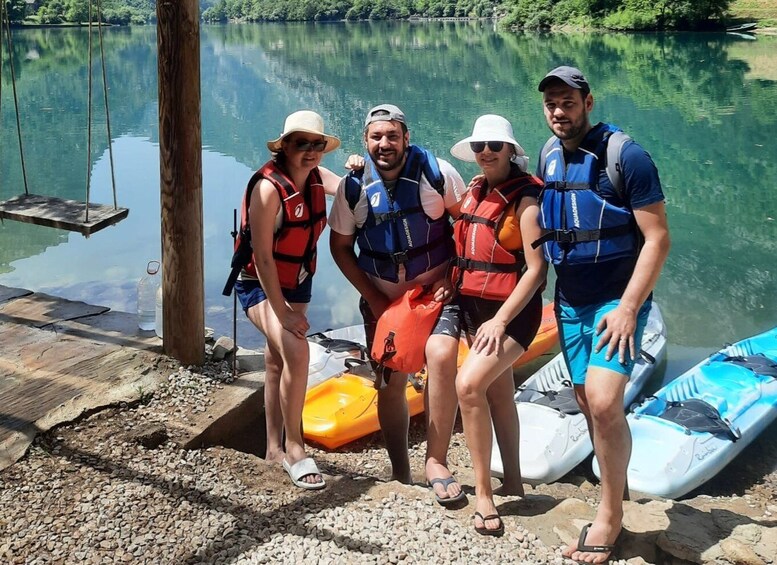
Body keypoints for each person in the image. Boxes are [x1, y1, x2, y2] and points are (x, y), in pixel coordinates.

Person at [535, 67, 670, 562]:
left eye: (567, 102)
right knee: (589, 404)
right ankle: (616, 489)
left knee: (605, 400)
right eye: (551, 103)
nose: (558, 112)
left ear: (588, 102)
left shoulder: (625, 156)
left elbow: (658, 238)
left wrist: (630, 308)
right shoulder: (550, 153)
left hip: (617, 299)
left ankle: (609, 515)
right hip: (569, 301)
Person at [329, 104, 468, 504]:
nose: (384, 144)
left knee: (441, 356)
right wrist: (373, 297)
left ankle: (436, 461)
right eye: (376, 137)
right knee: (390, 383)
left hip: (436, 295)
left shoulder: (436, 174)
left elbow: (465, 223)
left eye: (392, 135)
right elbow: (339, 247)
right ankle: (399, 471)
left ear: (407, 137)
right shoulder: (353, 188)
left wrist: (451, 275)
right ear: (365, 141)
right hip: (385, 303)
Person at [230, 110, 344, 490]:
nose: (310, 152)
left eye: (317, 145)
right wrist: (281, 312)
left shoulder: (314, 177)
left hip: (297, 281)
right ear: (285, 147)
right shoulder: (268, 189)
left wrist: (360, 168)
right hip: (259, 285)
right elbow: (261, 257)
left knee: (276, 358)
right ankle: (296, 449)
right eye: (301, 144)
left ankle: (272, 449)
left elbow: (347, 188)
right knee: (297, 352)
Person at [448, 115, 547, 536]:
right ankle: (514, 481)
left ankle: (485, 494)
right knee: (498, 392)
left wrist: (501, 320)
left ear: (510, 150)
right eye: (479, 146)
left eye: (494, 145)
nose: (485, 152)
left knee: (469, 386)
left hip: (512, 315)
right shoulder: (475, 190)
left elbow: (538, 270)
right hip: (473, 309)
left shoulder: (526, 201)